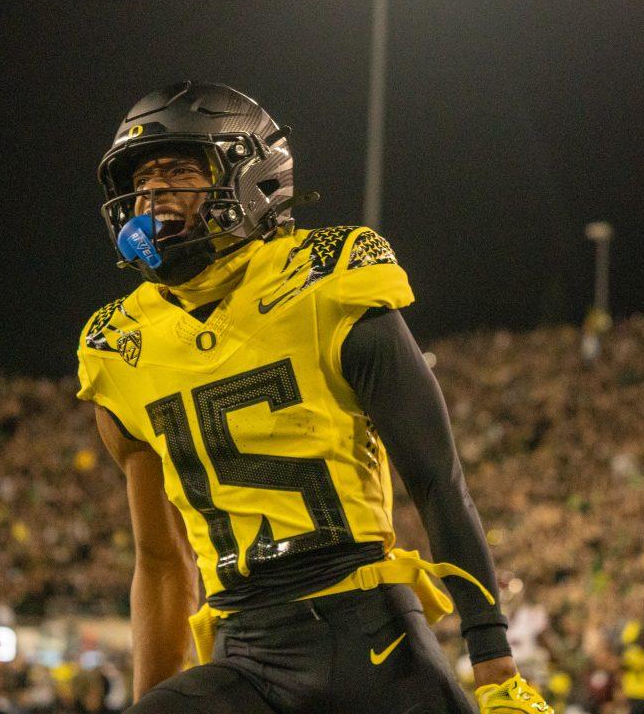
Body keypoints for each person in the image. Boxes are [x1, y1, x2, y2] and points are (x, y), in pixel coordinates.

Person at [76, 81, 552, 713]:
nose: (153, 194)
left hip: (371, 641)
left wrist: (497, 671)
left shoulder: (329, 277)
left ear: (252, 178)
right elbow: (162, 564)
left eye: (179, 172)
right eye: (142, 181)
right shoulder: (120, 345)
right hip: (242, 653)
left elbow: (436, 479)